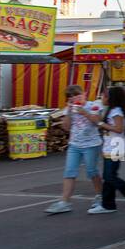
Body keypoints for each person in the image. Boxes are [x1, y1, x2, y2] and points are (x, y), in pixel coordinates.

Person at [45, 85, 105, 215]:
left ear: (84, 94)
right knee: (69, 172)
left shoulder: (93, 105)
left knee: (92, 171)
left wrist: (84, 112)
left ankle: (100, 196)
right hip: (75, 144)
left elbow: (97, 122)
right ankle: (64, 202)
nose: (74, 98)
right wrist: (70, 112)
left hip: (91, 144)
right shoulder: (69, 109)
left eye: (77, 94)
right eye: (70, 96)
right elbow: (66, 127)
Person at [95, 86, 125, 213]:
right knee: (109, 176)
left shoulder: (116, 111)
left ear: (111, 98)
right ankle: (108, 204)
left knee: (110, 176)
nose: (102, 98)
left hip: (116, 144)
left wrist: (100, 123)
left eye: (104, 96)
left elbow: (119, 128)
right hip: (111, 144)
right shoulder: (111, 110)